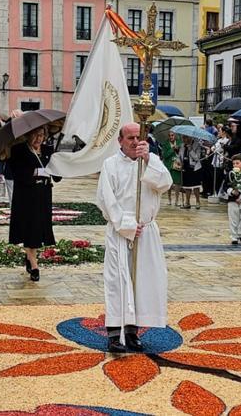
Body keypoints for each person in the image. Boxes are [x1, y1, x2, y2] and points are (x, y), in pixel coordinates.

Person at [95, 122, 172, 354]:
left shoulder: (150, 161)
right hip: (121, 232)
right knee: (118, 283)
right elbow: (106, 200)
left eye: (139, 137)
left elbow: (165, 183)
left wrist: (149, 159)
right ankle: (113, 335)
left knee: (141, 282)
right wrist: (127, 225)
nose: (135, 142)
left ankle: (132, 332)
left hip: (146, 232)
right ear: (120, 141)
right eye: (130, 138)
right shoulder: (110, 165)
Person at [6, 127, 57, 281]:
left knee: (39, 228)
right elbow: (16, 172)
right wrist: (35, 172)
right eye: (35, 136)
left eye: (41, 135)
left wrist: (59, 164)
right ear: (28, 136)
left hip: (43, 195)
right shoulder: (18, 150)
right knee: (30, 228)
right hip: (26, 196)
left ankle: (29, 257)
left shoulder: (48, 150)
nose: (38, 139)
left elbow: (58, 175)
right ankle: (34, 266)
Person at [224, 154, 241, 246]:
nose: (235, 165)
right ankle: (234, 237)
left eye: (237, 163)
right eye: (234, 163)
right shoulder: (230, 174)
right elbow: (225, 186)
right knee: (233, 219)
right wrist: (232, 192)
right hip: (232, 200)